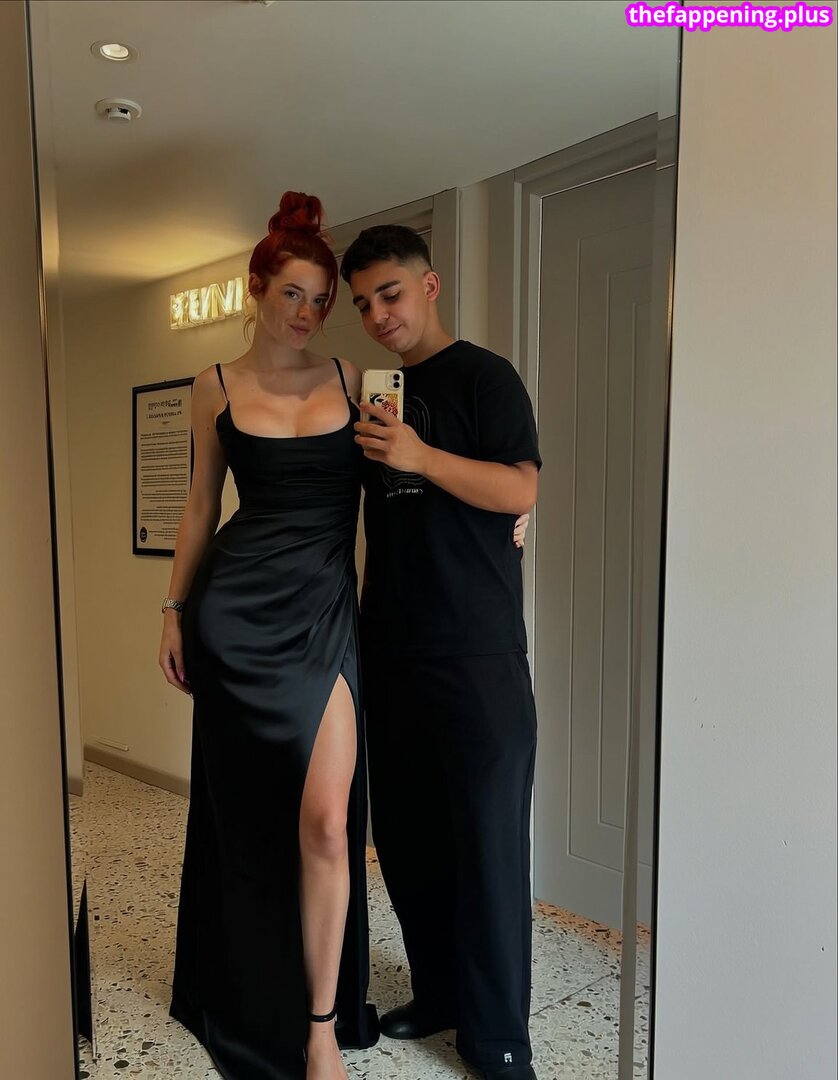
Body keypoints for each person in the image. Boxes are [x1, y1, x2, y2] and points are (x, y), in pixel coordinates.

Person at [158, 192, 379, 1080]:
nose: (308, 313)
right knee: (247, 821)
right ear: (256, 288)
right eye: (293, 293)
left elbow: (402, 484)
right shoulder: (212, 385)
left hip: (324, 615)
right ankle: (246, 993)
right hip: (235, 616)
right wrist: (174, 611)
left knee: (326, 822)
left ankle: (320, 1027)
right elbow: (200, 506)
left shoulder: (353, 380)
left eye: (320, 300)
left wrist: (505, 516)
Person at [342, 225, 541, 1080]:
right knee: (411, 840)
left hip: (478, 652)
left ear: (428, 285)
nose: (378, 315)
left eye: (389, 294)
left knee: (488, 848)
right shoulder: (371, 397)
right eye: (363, 304)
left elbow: (522, 486)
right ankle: (439, 995)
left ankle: (499, 1039)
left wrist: (422, 456)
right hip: (390, 647)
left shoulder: (486, 377)